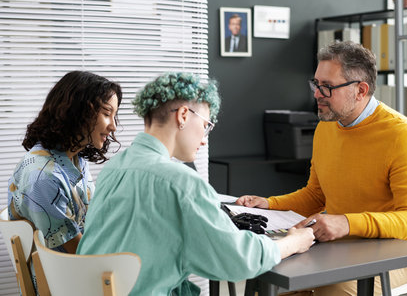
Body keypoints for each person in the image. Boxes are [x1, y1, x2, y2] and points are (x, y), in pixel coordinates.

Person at [76, 72, 315, 296]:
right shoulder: (180, 181)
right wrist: (292, 243)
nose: (203, 139)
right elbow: (237, 259)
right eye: (206, 126)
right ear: (182, 115)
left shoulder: (113, 168)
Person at [237, 41, 407, 295]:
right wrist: (269, 203)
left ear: (361, 90)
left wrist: (347, 224)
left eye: (327, 87)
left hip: (403, 254)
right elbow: (316, 196)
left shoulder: (402, 135)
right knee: (272, 281)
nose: (317, 94)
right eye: (316, 84)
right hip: (345, 248)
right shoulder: (327, 125)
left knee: (333, 290)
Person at [8, 70, 122, 254]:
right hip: (68, 278)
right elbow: (80, 253)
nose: (113, 126)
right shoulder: (43, 177)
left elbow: (90, 222)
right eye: (107, 113)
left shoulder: (76, 159)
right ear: (80, 111)